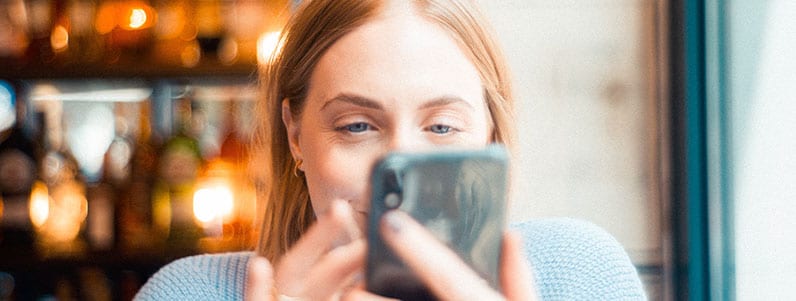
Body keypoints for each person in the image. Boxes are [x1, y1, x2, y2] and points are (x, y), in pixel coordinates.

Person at [135, 0, 646, 300]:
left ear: (491, 134)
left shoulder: (580, 273)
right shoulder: (191, 293)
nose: (400, 168)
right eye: (357, 125)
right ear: (295, 136)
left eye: (443, 127)